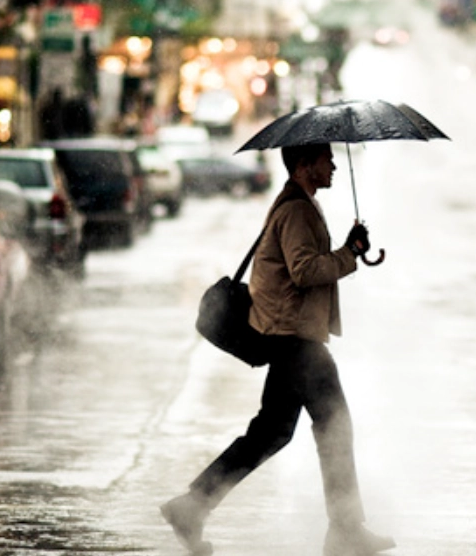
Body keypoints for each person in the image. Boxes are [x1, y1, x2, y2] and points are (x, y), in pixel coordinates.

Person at [160, 143, 395, 556]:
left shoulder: (298, 203)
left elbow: (303, 265)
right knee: (335, 425)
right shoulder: (297, 210)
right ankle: (345, 530)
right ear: (305, 166)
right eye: (327, 159)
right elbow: (304, 271)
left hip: (292, 335)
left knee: (272, 432)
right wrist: (349, 254)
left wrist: (348, 250)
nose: (335, 165)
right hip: (294, 338)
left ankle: (193, 506)